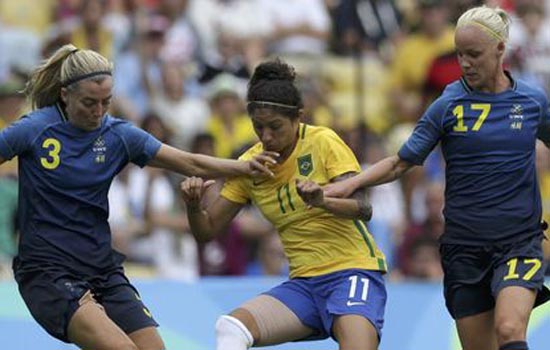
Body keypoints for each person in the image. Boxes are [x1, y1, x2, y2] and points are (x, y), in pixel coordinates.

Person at [0, 44, 276, 350]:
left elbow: (190, 162)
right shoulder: (34, 129)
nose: (98, 112)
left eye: (106, 102)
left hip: (101, 270)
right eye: (89, 103)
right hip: (47, 273)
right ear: (65, 94)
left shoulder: (118, 135)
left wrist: (243, 167)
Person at [324, 6, 550, 350]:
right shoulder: (448, 104)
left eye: (473, 54)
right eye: (460, 54)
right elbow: (401, 162)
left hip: (519, 242)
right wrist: (350, 183)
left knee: (509, 328)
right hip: (464, 249)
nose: (465, 63)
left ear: (500, 50)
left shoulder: (532, 101)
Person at [180, 58, 387, 350]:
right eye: (258, 127)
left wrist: (323, 200)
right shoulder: (250, 166)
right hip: (304, 285)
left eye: (275, 127)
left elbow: (363, 207)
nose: (266, 137)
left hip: (352, 271)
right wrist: (192, 205)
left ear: (297, 118)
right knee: (231, 328)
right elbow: (207, 230)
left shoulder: (322, 141)